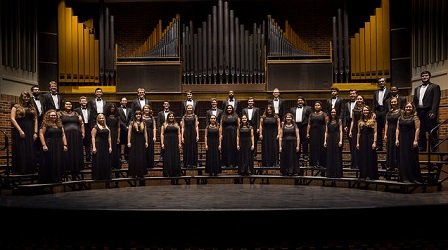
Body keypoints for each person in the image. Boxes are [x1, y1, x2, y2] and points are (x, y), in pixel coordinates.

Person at [413, 71, 441, 152]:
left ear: (429, 76)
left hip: (429, 111)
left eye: (426, 76)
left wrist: (433, 111)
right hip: (419, 112)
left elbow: (436, 100)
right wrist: (415, 111)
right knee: (421, 130)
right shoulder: (417, 88)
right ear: (421, 77)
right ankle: (422, 147)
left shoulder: (435, 87)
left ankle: (434, 148)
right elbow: (415, 100)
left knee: (432, 130)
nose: (424, 77)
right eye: (423, 76)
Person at [11, 91, 38, 174]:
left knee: (30, 150)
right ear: (21, 97)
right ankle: (20, 170)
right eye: (24, 97)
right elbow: (12, 119)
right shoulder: (16, 107)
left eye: (27, 97)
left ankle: (30, 170)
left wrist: (35, 132)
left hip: (30, 131)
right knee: (21, 149)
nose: (26, 98)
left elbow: (36, 120)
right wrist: (20, 130)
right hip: (20, 131)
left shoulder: (32, 108)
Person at [396, 102, 422, 183]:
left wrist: (415, 140)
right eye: (407, 107)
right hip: (402, 139)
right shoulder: (400, 118)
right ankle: (404, 177)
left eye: (410, 107)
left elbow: (417, 129)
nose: (408, 108)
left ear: (412, 108)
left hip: (411, 139)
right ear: (404, 108)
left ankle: (413, 177)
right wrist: (397, 139)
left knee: (411, 158)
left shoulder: (415, 118)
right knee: (403, 158)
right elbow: (397, 129)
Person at [39, 109, 67, 183]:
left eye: (54, 115)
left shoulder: (59, 124)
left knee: (58, 161)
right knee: (50, 161)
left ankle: (57, 178)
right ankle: (49, 179)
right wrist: (44, 145)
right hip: (49, 144)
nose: (53, 116)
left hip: (58, 144)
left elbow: (63, 135)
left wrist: (65, 144)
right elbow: (41, 134)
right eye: (51, 115)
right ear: (48, 116)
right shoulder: (45, 124)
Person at [59, 101, 84, 180]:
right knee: (67, 151)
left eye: (70, 104)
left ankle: (76, 168)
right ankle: (67, 168)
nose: (68, 105)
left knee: (76, 151)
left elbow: (82, 123)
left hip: (77, 136)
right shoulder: (60, 113)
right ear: (64, 105)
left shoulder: (76, 113)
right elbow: (59, 124)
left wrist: (83, 132)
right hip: (66, 135)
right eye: (67, 104)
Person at [356, 106, 378, 180]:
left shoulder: (373, 120)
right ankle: (363, 174)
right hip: (362, 141)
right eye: (364, 110)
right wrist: (357, 143)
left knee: (370, 157)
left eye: (366, 110)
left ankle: (371, 175)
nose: (365, 112)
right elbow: (358, 133)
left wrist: (374, 142)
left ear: (369, 111)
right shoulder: (359, 121)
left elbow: (375, 132)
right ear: (362, 112)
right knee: (363, 157)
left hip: (370, 140)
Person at [127, 110, 148, 181]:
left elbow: (145, 133)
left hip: (141, 141)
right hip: (134, 141)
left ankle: (140, 173)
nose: (138, 115)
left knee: (141, 156)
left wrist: (146, 142)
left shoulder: (143, 123)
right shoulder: (132, 123)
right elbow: (129, 133)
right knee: (134, 156)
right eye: (137, 114)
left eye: (139, 114)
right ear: (135, 116)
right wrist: (129, 142)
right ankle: (134, 173)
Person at [160, 111, 182, 180]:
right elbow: (162, 134)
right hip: (167, 143)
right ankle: (168, 172)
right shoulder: (164, 124)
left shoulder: (176, 124)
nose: (171, 117)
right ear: (168, 117)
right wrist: (162, 143)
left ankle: (175, 172)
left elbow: (179, 134)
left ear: (174, 117)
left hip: (175, 143)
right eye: (170, 116)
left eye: (172, 116)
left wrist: (179, 143)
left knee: (175, 157)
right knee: (167, 157)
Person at [91, 113, 112, 180]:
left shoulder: (107, 127)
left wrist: (110, 147)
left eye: (102, 118)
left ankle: (105, 175)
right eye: (100, 118)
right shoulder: (95, 127)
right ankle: (98, 176)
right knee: (99, 160)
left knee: (105, 160)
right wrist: (94, 147)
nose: (101, 119)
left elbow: (109, 138)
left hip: (105, 145)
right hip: (98, 145)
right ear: (98, 119)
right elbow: (93, 137)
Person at [307, 101, 327, 169]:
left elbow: (327, 124)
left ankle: (321, 163)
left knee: (321, 147)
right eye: (315, 105)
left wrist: (326, 133)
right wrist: (307, 132)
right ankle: (314, 163)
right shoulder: (311, 114)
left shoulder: (324, 114)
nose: (317, 106)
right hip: (313, 132)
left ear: (321, 106)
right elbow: (309, 124)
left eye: (318, 105)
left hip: (321, 132)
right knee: (313, 147)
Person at [324, 108, 343, 178]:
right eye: (332, 112)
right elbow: (326, 131)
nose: (333, 113)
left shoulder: (339, 120)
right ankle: (330, 173)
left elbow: (341, 131)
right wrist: (325, 141)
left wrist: (340, 141)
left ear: (336, 113)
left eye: (334, 112)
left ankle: (337, 173)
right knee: (329, 155)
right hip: (329, 139)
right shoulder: (327, 120)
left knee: (337, 155)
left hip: (336, 138)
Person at [373, 77, 391, 151]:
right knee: (378, 129)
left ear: (385, 82)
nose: (381, 83)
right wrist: (373, 112)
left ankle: (388, 146)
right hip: (377, 111)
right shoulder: (375, 92)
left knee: (387, 129)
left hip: (386, 111)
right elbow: (374, 103)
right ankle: (379, 146)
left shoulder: (389, 91)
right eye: (380, 82)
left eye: (382, 81)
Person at [74, 96, 94, 163]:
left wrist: (92, 128)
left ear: (87, 102)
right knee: (80, 144)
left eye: (85, 101)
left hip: (88, 128)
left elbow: (92, 120)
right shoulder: (76, 110)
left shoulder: (90, 110)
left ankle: (88, 160)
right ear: (80, 102)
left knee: (88, 144)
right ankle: (80, 160)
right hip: (80, 128)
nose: (84, 102)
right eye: (82, 101)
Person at [219, 104, 240, 169]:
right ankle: (225, 163)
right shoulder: (223, 116)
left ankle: (234, 164)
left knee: (233, 148)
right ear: (226, 109)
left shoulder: (236, 116)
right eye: (228, 108)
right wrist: (221, 134)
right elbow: (221, 126)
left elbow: (239, 126)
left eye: (230, 108)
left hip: (234, 134)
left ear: (232, 109)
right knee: (225, 148)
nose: (229, 109)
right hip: (225, 134)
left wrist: (238, 134)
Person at [384, 97, 401, 172]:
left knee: (397, 148)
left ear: (397, 102)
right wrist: (385, 134)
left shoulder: (401, 112)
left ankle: (397, 165)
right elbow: (386, 124)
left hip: (398, 131)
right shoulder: (388, 113)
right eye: (392, 102)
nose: (393, 103)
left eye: (394, 102)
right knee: (390, 148)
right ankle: (390, 165)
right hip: (390, 132)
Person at [349, 95, 365, 169]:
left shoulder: (365, 108)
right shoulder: (354, 110)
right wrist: (350, 130)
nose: (359, 100)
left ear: (363, 100)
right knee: (354, 146)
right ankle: (355, 164)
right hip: (355, 128)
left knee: (362, 145)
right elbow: (352, 121)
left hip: (363, 127)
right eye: (358, 99)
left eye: (360, 99)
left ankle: (362, 163)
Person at [343, 89, 358, 168]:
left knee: (358, 144)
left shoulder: (359, 103)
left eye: (353, 93)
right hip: (349, 125)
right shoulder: (346, 104)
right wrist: (345, 125)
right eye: (351, 94)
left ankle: (359, 163)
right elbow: (345, 115)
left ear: (356, 94)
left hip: (358, 124)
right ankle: (353, 163)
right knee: (351, 144)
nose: (352, 95)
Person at [105, 103, 121, 171]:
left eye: (113, 107)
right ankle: (108, 163)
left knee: (115, 149)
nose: (112, 108)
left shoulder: (117, 117)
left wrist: (118, 137)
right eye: (111, 107)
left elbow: (119, 127)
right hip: (107, 133)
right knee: (108, 148)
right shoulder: (105, 116)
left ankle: (114, 163)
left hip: (115, 133)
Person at [142, 104, 157, 169]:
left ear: (149, 110)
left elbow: (154, 128)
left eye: (147, 108)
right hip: (142, 134)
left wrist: (154, 136)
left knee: (150, 149)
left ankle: (150, 164)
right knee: (143, 149)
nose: (146, 109)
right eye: (145, 108)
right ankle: (143, 164)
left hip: (150, 134)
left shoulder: (152, 117)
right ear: (143, 110)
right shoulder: (141, 117)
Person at [117, 97, 131, 162]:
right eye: (123, 100)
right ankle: (119, 157)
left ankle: (126, 157)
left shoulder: (130, 110)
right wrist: (125, 126)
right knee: (119, 143)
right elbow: (118, 119)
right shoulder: (117, 109)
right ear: (120, 102)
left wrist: (128, 126)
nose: (124, 102)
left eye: (125, 100)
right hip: (120, 129)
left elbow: (131, 118)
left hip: (128, 129)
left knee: (127, 143)